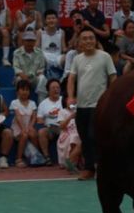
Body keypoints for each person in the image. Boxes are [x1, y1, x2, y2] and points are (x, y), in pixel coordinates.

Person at [67, 28, 117, 180]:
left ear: (95, 40)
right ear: (80, 42)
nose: (88, 41)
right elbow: (71, 78)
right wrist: (70, 96)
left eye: (91, 38)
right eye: (84, 38)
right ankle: (89, 169)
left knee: (93, 135)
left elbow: (113, 77)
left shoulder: (105, 57)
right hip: (82, 106)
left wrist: (111, 97)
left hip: (99, 105)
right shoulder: (77, 59)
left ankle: (102, 166)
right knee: (85, 138)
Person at [9, 80, 39, 167]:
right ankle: (18, 159)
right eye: (22, 89)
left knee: (33, 134)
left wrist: (30, 127)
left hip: (28, 126)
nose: (25, 92)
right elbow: (18, 117)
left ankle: (35, 157)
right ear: (18, 91)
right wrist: (23, 129)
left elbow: (34, 117)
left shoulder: (32, 103)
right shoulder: (14, 103)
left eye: (27, 90)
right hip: (17, 127)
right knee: (24, 135)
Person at [13, 31, 47, 103]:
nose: (30, 42)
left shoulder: (39, 52)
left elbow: (41, 67)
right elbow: (16, 68)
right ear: (23, 41)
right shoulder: (17, 52)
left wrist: (39, 72)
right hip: (22, 77)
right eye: (27, 40)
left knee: (42, 78)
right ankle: (20, 102)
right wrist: (23, 76)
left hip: (34, 78)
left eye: (32, 41)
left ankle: (41, 102)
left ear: (35, 42)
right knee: (19, 79)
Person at [37, 79, 62, 164]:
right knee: (41, 132)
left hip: (63, 126)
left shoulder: (64, 100)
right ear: (48, 90)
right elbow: (39, 120)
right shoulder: (43, 104)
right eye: (53, 88)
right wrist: (45, 122)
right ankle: (47, 157)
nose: (56, 90)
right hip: (49, 127)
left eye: (58, 88)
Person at [37, 9, 67, 75]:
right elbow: (36, 47)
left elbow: (64, 47)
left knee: (68, 57)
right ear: (45, 21)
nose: (51, 20)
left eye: (53, 18)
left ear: (57, 20)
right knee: (38, 57)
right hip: (44, 57)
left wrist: (67, 52)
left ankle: (65, 76)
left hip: (58, 57)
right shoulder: (40, 32)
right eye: (49, 18)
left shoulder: (61, 32)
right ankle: (41, 76)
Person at [57, 95, 82, 172]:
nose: (72, 100)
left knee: (78, 137)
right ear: (65, 101)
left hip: (77, 133)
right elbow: (61, 126)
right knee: (73, 138)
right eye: (69, 99)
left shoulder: (79, 111)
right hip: (66, 133)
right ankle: (71, 162)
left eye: (74, 98)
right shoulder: (62, 112)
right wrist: (71, 117)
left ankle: (72, 162)